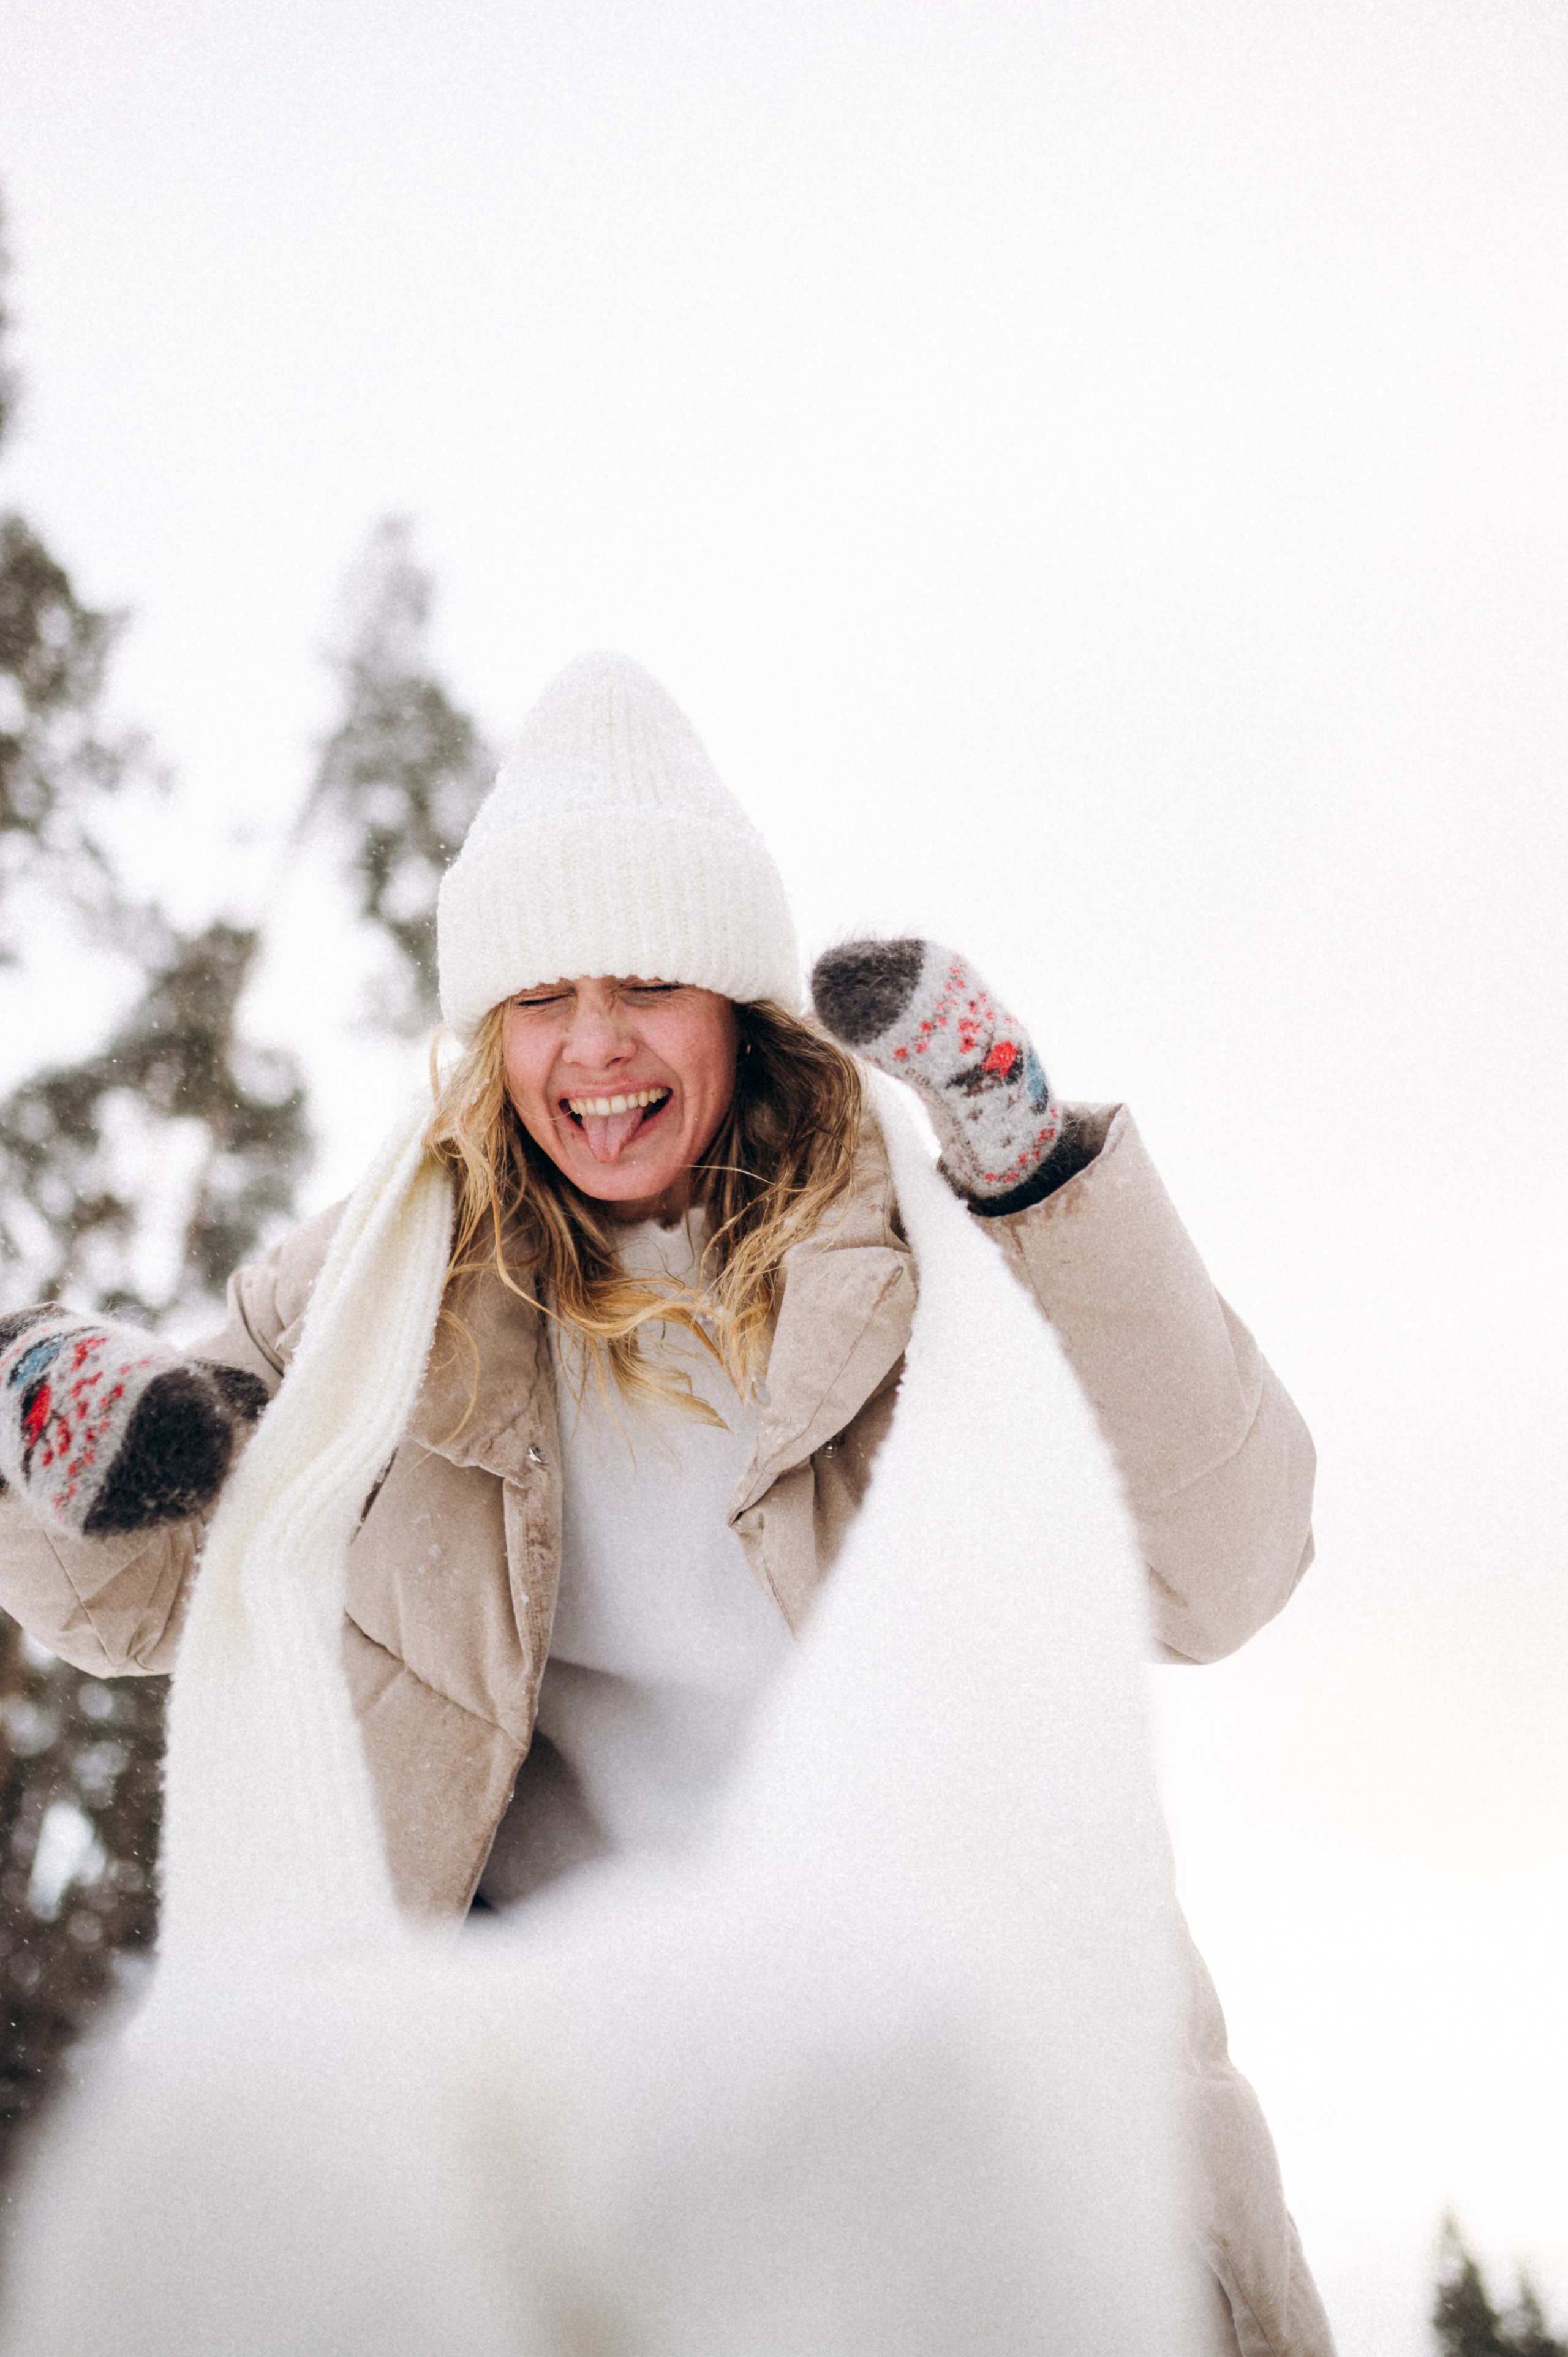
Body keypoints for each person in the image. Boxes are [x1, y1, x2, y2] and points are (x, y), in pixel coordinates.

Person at [0, 652, 1334, 2356]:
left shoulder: (916, 1265)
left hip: (930, 2049)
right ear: (490, 1031)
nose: (595, 1046)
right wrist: (49, 1417)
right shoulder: (370, 1302)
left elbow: (1226, 1565)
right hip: (566, 2101)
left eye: (648, 982)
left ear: (738, 1005)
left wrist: (1037, 1192)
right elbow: (137, 1597)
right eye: (542, 996)